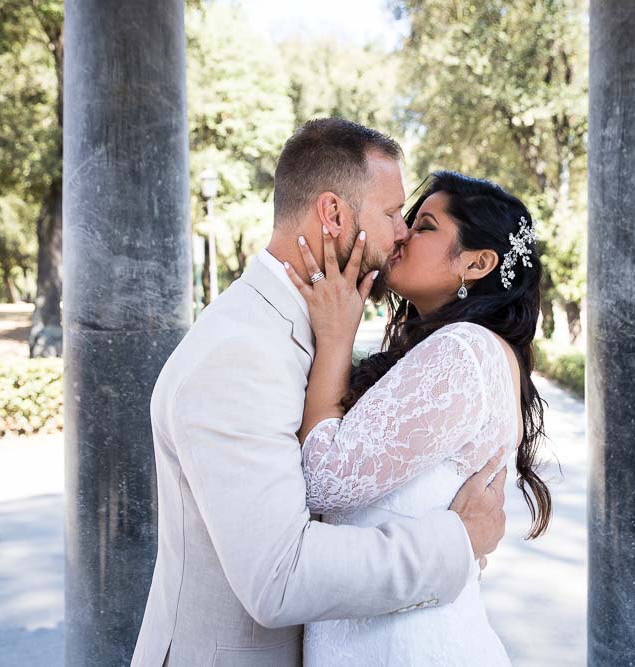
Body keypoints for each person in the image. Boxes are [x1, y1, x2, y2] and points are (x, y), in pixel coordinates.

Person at [131, 120, 508, 667]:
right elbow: (279, 578)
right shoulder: (239, 353)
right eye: (389, 213)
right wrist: (457, 541)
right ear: (333, 214)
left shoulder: (309, 323)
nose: (401, 233)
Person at [283, 170, 553, 665]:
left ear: (477, 262)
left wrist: (336, 338)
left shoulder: (462, 350)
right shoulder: (464, 349)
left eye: (425, 226)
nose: (402, 234)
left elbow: (320, 479)